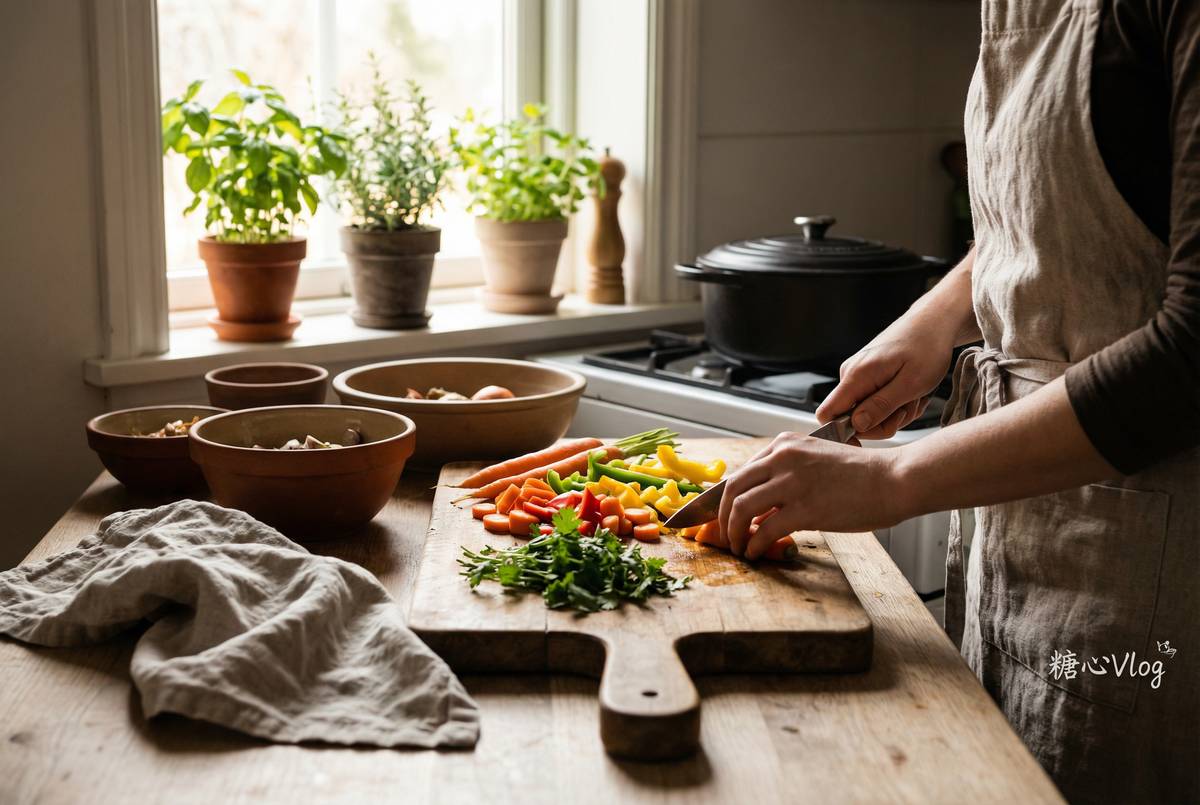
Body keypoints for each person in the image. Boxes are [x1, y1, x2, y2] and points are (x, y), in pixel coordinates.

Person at [716, 1, 1199, 802]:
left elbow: (1192, 355)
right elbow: (1046, 216)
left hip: (1153, 599)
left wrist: (893, 477)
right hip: (1022, 547)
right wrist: (937, 318)